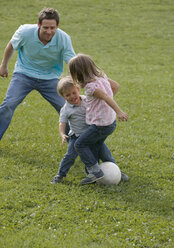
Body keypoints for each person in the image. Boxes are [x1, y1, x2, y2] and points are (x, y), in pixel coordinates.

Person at [0, 8, 76, 140]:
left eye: (53, 28)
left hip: (50, 78)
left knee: (67, 109)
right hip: (23, 74)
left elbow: (71, 61)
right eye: (45, 27)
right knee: (8, 104)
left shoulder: (63, 38)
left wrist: (70, 78)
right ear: (38, 24)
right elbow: (11, 46)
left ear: (57, 26)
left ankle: (76, 145)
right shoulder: (25, 32)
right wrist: (3, 65)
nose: (49, 31)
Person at [51, 76, 129, 184]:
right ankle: (60, 175)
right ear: (63, 96)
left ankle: (117, 172)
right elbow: (62, 123)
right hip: (76, 136)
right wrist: (62, 134)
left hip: (92, 133)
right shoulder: (66, 109)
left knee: (105, 154)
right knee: (70, 156)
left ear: (78, 89)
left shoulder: (86, 100)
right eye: (67, 95)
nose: (72, 96)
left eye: (74, 92)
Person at [69, 53, 128, 185]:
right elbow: (116, 86)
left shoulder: (91, 87)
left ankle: (94, 171)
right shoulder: (102, 77)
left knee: (80, 144)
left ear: (78, 74)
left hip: (100, 125)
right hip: (109, 123)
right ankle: (116, 171)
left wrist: (118, 111)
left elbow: (106, 97)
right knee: (98, 145)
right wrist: (104, 106)